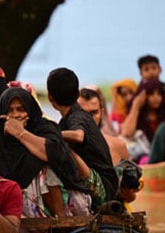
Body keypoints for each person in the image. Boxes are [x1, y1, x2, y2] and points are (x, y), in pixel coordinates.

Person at [0, 86, 89, 233]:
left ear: (30, 109)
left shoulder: (46, 128)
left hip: (70, 207)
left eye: (21, 109)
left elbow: (51, 153)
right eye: (10, 111)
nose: (15, 115)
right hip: (22, 215)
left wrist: (20, 133)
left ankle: (60, 224)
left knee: (44, 168)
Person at [47, 67, 119, 206]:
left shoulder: (78, 116)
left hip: (104, 188)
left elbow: (78, 136)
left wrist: (53, 135)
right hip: (95, 183)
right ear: (78, 93)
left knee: (58, 146)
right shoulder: (65, 121)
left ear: (50, 98)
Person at [120, 79, 165, 163]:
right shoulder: (140, 117)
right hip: (146, 159)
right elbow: (127, 133)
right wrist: (136, 105)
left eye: (159, 94)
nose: (156, 97)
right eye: (151, 94)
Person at [77, 87, 129, 164]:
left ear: (102, 112)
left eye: (94, 112)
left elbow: (129, 174)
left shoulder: (119, 145)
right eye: (84, 113)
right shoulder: (67, 148)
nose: (89, 118)